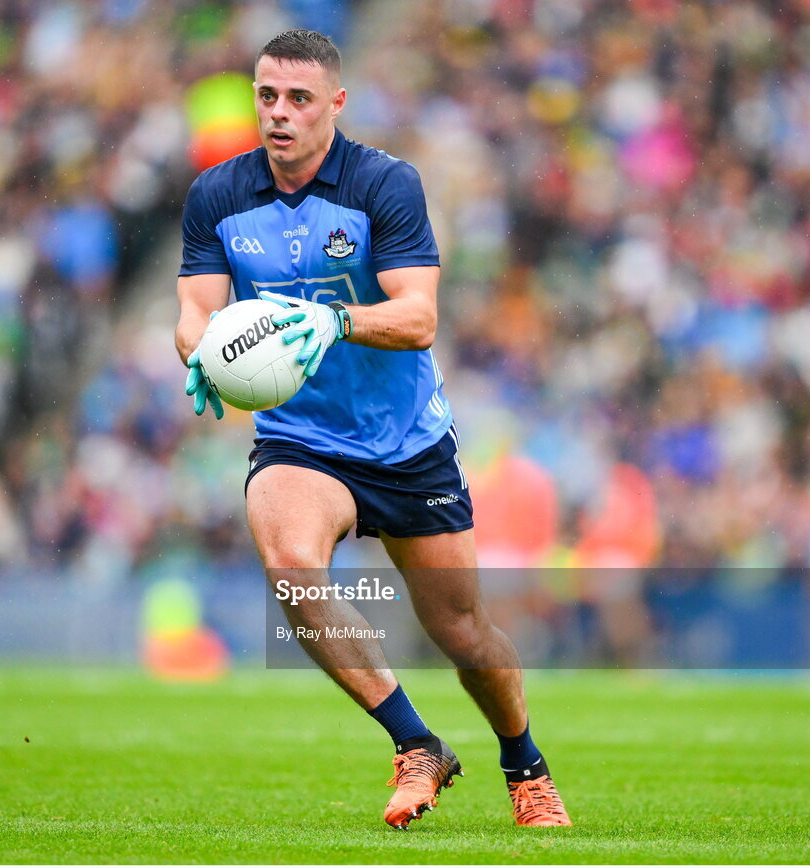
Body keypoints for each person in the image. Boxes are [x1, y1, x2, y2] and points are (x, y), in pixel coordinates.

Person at [175, 29, 571, 830]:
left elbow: (419, 317)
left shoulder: (383, 184)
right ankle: (414, 742)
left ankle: (525, 763)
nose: (278, 114)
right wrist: (201, 353)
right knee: (290, 564)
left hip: (406, 442)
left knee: (462, 629)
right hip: (302, 439)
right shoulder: (217, 195)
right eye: (266, 97)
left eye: (298, 99)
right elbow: (195, 311)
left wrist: (333, 323)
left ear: (336, 104)